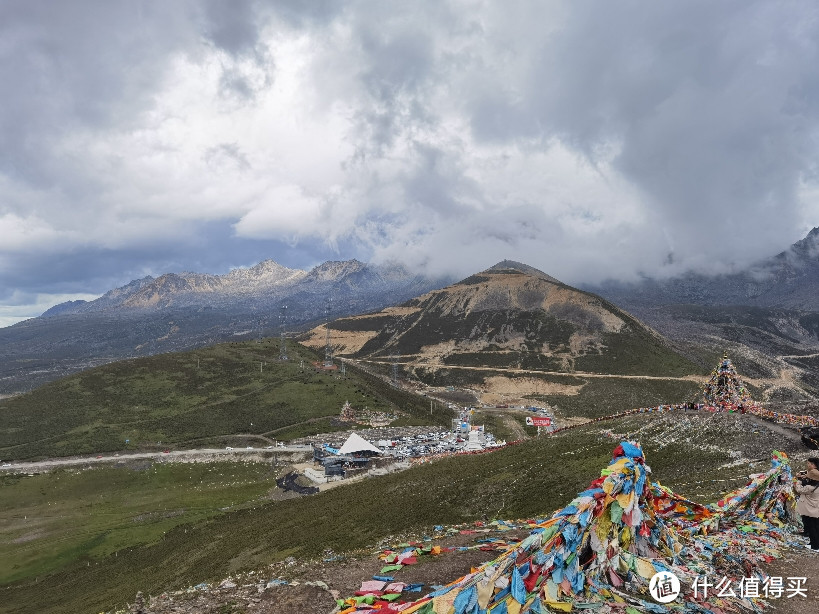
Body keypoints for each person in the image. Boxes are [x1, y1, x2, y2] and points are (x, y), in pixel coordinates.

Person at [795, 458, 819, 551]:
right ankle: (813, 543)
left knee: (812, 528)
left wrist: (799, 480)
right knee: (816, 527)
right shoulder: (816, 485)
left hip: (810, 510)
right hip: (816, 509)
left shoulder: (810, 487)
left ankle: (815, 546)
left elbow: (799, 489)